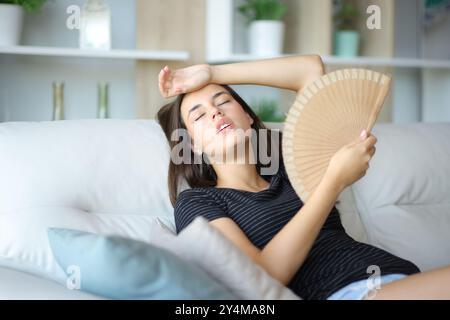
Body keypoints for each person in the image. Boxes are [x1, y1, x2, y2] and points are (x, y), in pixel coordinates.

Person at [156, 55, 450, 300]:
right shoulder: (198, 202)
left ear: (247, 116)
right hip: (345, 292)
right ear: (191, 143)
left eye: (223, 101)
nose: (216, 113)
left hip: (399, 275)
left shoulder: (290, 162)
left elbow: (310, 70)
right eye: (198, 115)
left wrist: (212, 71)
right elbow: (260, 276)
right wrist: (333, 181)